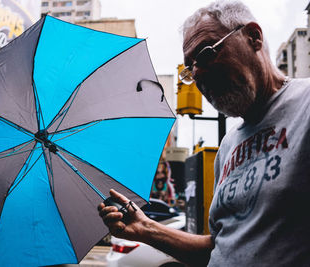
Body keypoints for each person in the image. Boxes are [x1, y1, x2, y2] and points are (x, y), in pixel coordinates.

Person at [98, 0, 310, 266]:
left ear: (253, 37)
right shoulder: (229, 145)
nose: (197, 73)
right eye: (190, 67)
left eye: (206, 53)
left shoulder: (305, 105)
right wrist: (145, 229)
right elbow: (220, 247)